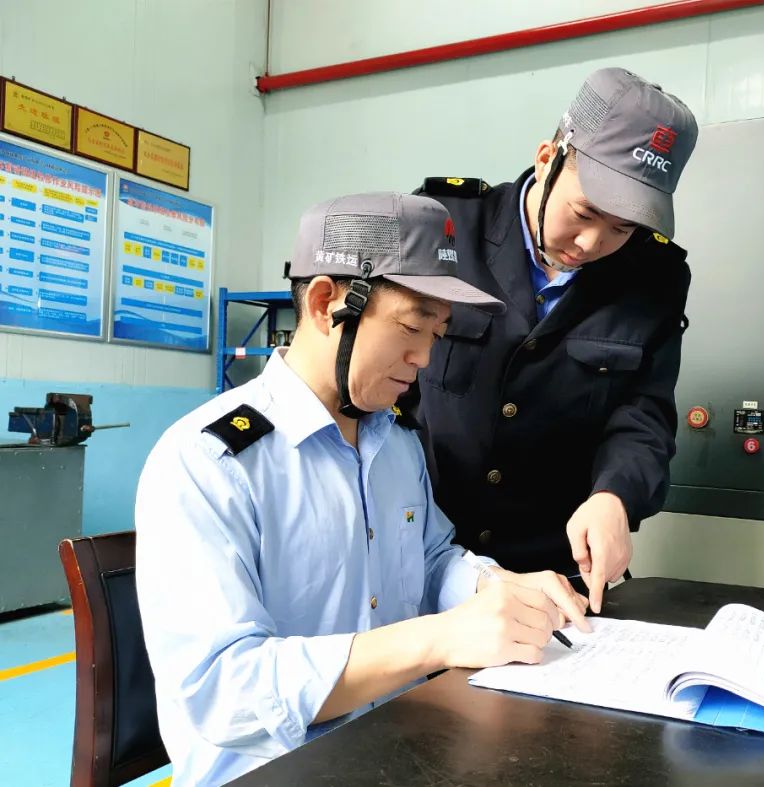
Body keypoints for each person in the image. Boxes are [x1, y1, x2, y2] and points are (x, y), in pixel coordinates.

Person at [135, 192, 589, 787]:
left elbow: (431, 561)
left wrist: (497, 587)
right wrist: (437, 639)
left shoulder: (396, 445)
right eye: (411, 326)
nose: (424, 358)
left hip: (401, 748)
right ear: (325, 303)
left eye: (438, 333)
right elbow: (223, 691)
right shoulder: (210, 462)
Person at [413, 67, 699, 613]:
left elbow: (643, 413)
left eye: (623, 228)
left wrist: (615, 496)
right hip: (427, 559)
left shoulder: (655, 277)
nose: (591, 243)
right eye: (584, 212)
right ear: (548, 158)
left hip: (554, 576)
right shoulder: (444, 228)